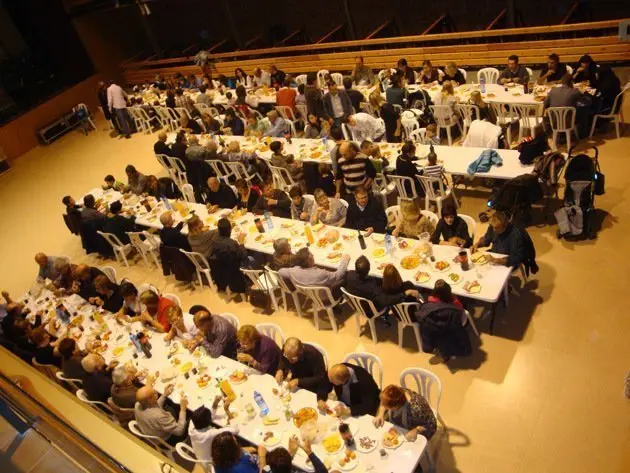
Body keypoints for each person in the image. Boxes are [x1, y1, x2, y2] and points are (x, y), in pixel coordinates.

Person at [346, 256, 419, 312]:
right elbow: (386, 300)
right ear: (369, 269)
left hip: (358, 305)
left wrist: (387, 270)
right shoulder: (373, 289)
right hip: (370, 309)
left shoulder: (349, 274)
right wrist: (406, 292)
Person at [279, 248, 350, 299]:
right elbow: (338, 275)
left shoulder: (293, 271)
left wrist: (290, 285)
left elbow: (280, 271)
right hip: (326, 298)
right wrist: (345, 260)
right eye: (311, 255)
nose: (313, 255)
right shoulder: (321, 274)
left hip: (311, 296)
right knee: (346, 276)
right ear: (309, 261)